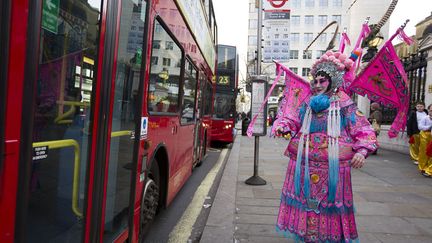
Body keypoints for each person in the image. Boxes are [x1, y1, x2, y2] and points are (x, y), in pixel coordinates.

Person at [272, 51, 378, 242]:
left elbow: (363, 129)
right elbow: (293, 119)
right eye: (316, 81)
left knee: (329, 207)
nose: (318, 85)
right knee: (307, 206)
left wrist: (362, 151)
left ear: (333, 81)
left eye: (323, 81)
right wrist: (283, 126)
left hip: (333, 170)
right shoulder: (307, 102)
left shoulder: (344, 103)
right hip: (303, 166)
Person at [417, 104, 432, 177]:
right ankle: (423, 167)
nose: (431, 112)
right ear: (428, 110)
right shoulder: (425, 118)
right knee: (424, 152)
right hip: (425, 136)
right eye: (431, 110)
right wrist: (428, 127)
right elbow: (420, 126)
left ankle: (429, 169)